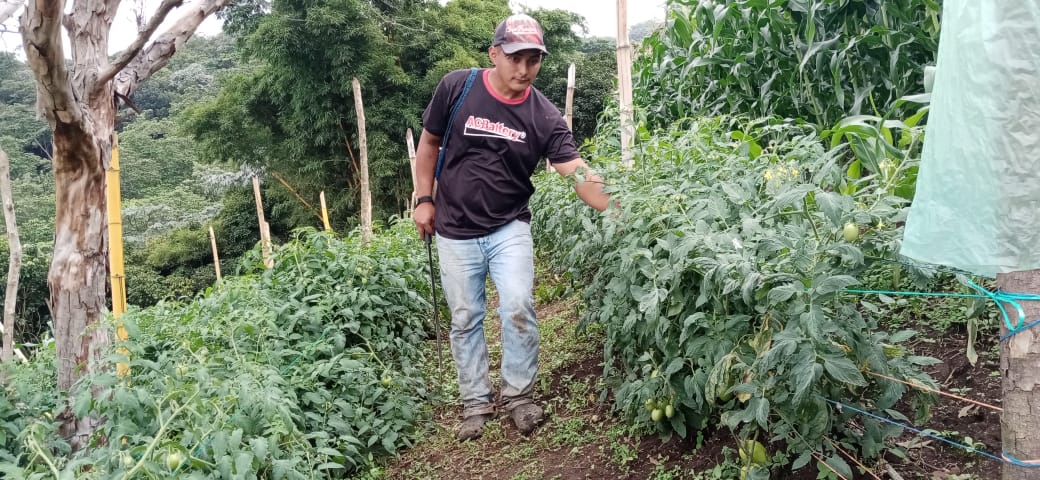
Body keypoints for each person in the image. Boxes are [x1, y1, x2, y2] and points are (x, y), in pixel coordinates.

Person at [412, 13, 613, 442]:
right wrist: (423, 199)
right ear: (494, 53)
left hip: (509, 226)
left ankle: (519, 396)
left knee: (518, 303)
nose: (523, 70)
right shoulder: (457, 87)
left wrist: (619, 209)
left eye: (533, 60)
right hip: (453, 227)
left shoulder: (544, 116)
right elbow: (428, 144)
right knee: (465, 317)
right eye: (515, 58)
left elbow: (575, 170)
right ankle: (475, 402)